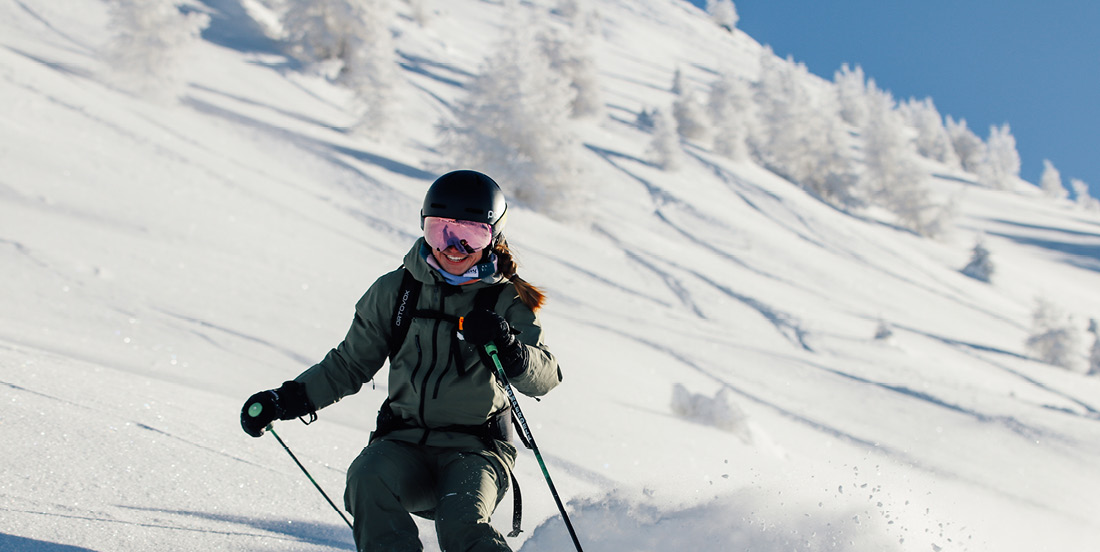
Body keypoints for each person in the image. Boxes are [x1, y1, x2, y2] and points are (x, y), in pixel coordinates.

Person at [240, 169, 563, 552]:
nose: (453, 246)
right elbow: (349, 364)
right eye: (439, 230)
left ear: (493, 238)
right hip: (403, 443)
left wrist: (508, 346)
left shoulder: (506, 301)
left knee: (462, 523)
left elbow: (545, 376)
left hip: (475, 449)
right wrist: (287, 399)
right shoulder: (397, 292)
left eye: (471, 234)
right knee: (368, 476)